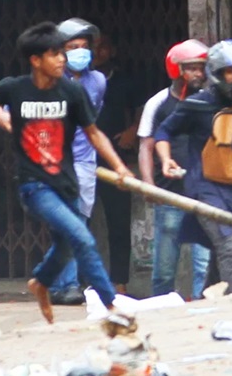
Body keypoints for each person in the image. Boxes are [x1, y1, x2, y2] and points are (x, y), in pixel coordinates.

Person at [0, 21, 132, 322]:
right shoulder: (15, 88)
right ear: (35, 60)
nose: (63, 60)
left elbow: (94, 133)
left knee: (65, 243)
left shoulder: (73, 91)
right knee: (82, 237)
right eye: (56, 54)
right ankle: (112, 306)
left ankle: (41, 281)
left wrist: (119, 166)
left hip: (67, 181)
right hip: (35, 185)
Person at [154, 39, 232, 294]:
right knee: (228, 245)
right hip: (206, 188)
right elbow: (163, 132)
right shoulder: (197, 104)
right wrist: (166, 159)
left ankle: (209, 295)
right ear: (217, 75)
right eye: (231, 72)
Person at [138, 39, 211, 299]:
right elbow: (146, 145)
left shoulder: (209, 101)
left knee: (205, 262)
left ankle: (203, 305)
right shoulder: (158, 103)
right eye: (192, 68)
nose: (199, 74)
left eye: (202, 68)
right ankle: (161, 305)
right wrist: (148, 183)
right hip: (170, 192)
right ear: (176, 69)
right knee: (165, 263)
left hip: (204, 191)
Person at [42, 18, 107, 306]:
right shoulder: (47, 81)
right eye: (73, 47)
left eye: (84, 47)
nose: (80, 52)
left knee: (77, 222)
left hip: (84, 161)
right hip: (54, 161)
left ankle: (52, 282)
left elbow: (92, 119)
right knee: (68, 223)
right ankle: (66, 284)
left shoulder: (98, 81)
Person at [93, 34, 145, 294]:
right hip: (81, 160)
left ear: (111, 49)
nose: (96, 51)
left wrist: (132, 131)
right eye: (91, 46)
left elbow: (143, 107)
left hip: (115, 160)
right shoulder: (70, 83)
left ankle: (119, 283)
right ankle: (80, 282)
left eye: (102, 45)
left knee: (118, 222)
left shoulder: (124, 80)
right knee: (77, 223)